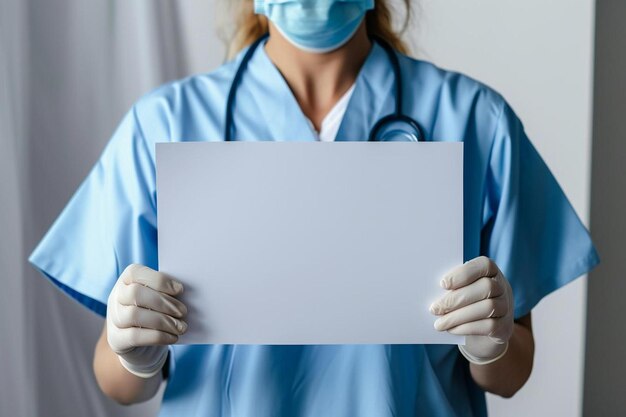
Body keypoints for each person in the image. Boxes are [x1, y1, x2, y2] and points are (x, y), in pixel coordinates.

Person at [29, 0, 599, 416]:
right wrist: (135, 355)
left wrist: (492, 343)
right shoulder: (163, 125)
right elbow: (118, 382)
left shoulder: (476, 120)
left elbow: (510, 374)